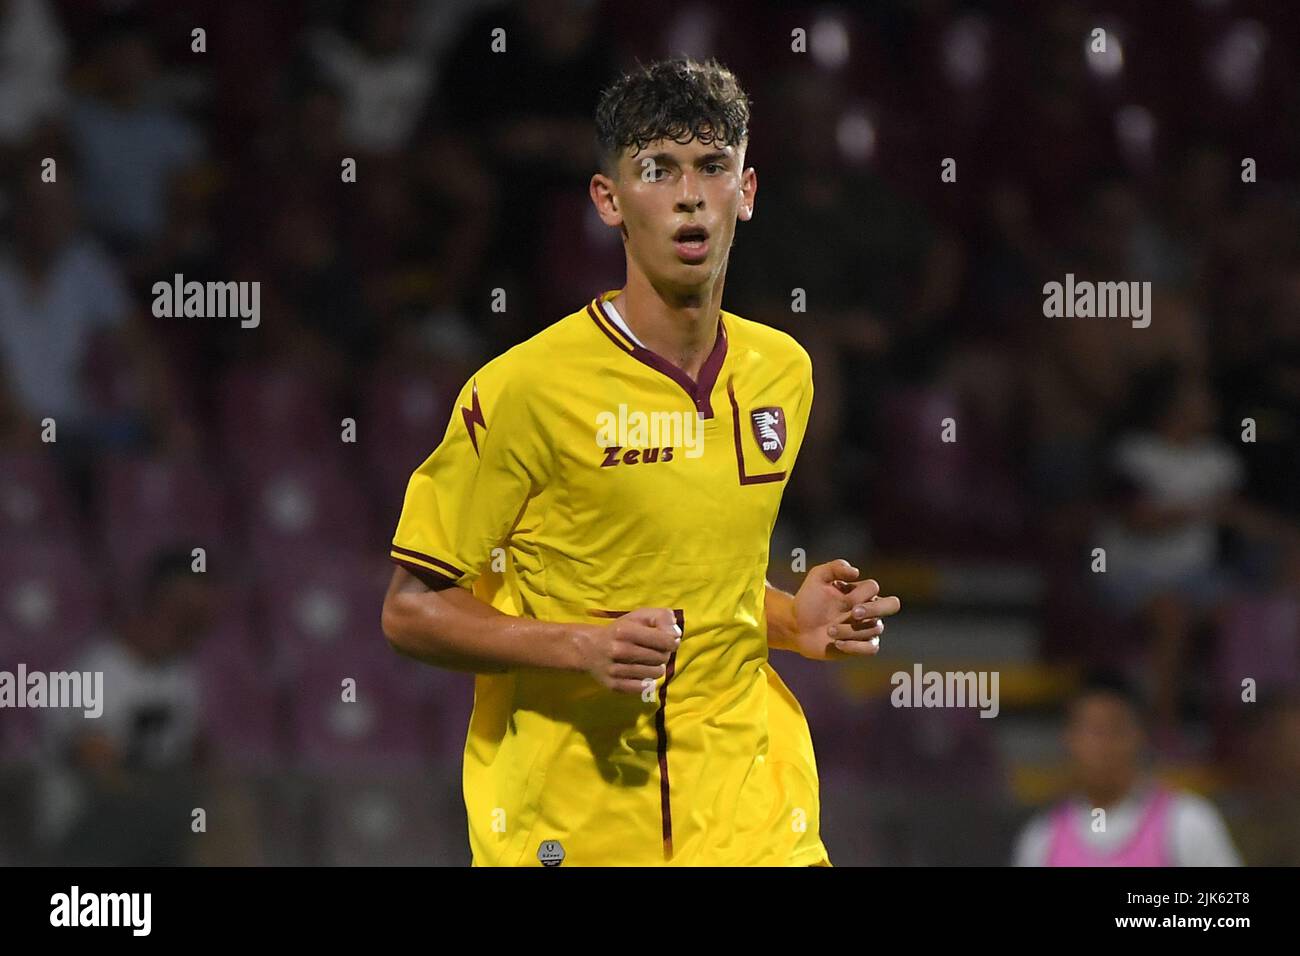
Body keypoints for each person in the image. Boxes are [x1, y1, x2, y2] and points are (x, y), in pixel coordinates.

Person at [381, 57, 901, 866]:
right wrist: (581, 647)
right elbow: (412, 609)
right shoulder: (527, 389)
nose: (689, 195)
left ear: (748, 191)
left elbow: (702, 587)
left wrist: (795, 621)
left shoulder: (783, 374)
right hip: (577, 826)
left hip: (749, 823)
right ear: (609, 200)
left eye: (713, 167)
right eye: (657, 170)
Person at [1013, 671, 1241, 866]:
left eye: (1114, 729)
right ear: (1069, 739)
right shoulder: (1042, 839)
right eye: (1090, 731)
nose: (1101, 745)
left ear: (1140, 735)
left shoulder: (1188, 823)